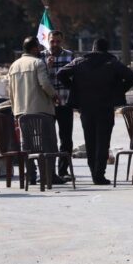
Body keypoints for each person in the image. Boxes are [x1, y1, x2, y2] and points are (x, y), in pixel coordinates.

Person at [57, 39, 133, 185]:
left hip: (86, 107)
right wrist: (118, 91)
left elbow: (61, 74)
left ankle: (94, 171)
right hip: (105, 106)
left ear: (93, 48)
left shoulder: (79, 61)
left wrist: (75, 89)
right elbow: (132, 76)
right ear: (107, 49)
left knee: (90, 140)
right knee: (103, 141)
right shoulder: (112, 63)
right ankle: (99, 174)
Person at [7, 37, 59, 185]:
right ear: (35, 48)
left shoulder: (14, 66)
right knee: (49, 143)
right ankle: (49, 175)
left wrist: (14, 109)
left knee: (27, 144)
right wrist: (54, 95)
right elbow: (44, 83)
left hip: (21, 111)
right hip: (41, 110)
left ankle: (30, 175)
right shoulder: (38, 63)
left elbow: (10, 91)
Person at [43, 30, 74, 180]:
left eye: (57, 41)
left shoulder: (69, 56)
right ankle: (50, 171)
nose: (54, 44)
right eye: (52, 41)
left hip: (65, 102)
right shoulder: (41, 56)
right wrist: (47, 67)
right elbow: (40, 80)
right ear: (47, 41)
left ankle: (63, 170)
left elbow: (75, 78)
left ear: (62, 41)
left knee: (66, 138)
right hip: (47, 105)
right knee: (48, 139)